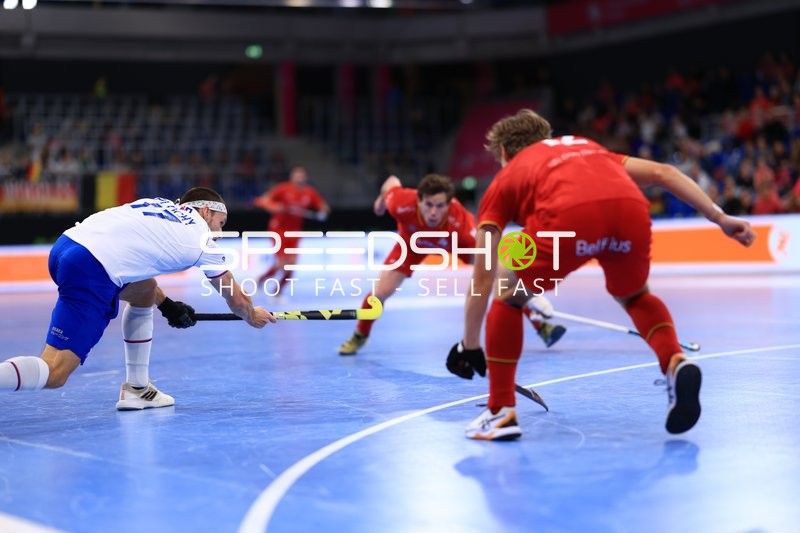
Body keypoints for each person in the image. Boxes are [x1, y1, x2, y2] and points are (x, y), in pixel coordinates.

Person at [447, 109, 755, 440]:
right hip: (629, 210)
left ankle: (500, 412)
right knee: (636, 295)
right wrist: (719, 216)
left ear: (505, 153)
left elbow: (482, 279)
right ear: (545, 139)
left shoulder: (505, 179)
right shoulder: (587, 147)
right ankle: (674, 362)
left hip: (568, 219)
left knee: (508, 298)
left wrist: (471, 344)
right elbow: (664, 173)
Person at [0, 187, 275, 409]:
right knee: (55, 372)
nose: (220, 233)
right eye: (220, 223)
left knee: (144, 291)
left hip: (66, 246)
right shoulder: (202, 238)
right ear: (205, 211)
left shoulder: (156, 205)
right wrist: (251, 315)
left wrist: (167, 306)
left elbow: (135, 272)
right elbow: (237, 300)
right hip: (92, 268)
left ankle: (137, 388)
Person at [338, 173, 566, 356]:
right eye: (428, 205)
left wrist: (530, 295)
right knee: (379, 294)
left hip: (454, 242)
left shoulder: (462, 226)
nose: (433, 212)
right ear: (418, 199)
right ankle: (360, 335)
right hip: (411, 244)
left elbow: (495, 264)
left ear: (450, 204)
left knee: (500, 276)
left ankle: (541, 325)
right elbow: (391, 182)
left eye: (440, 206)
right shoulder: (400, 202)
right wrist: (380, 202)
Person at [253, 165, 331, 294]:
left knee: (292, 265)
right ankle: (261, 280)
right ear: (292, 176)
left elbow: (324, 207)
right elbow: (261, 200)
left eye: (302, 175)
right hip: (278, 230)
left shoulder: (309, 192)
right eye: (297, 174)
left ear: (306, 177)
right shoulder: (282, 189)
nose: (299, 177)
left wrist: (322, 212)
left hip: (294, 232)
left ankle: (277, 292)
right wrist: (274, 207)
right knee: (282, 263)